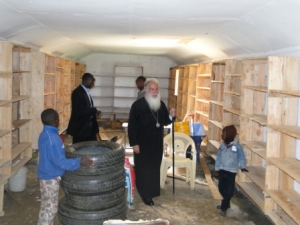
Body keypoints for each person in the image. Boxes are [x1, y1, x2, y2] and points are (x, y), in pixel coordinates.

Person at [37, 108, 94, 225]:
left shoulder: (44, 134)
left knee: (46, 205)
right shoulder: (53, 139)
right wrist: (79, 162)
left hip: (45, 174)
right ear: (56, 121)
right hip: (50, 178)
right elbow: (61, 162)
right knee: (50, 208)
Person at [128, 78, 176, 206]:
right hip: (142, 145)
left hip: (156, 144)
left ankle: (153, 191)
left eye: (156, 89)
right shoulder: (137, 106)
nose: (154, 92)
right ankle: (146, 195)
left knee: (154, 168)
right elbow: (131, 126)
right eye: (151, 89)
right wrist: (134, 144)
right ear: (146, 90)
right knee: (144, 169)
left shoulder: (160, 104)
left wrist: (171, 115)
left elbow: (165, 121)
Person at [214, 125, 248, 217]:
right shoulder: (222, 146)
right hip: (222, 169)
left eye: (223, 134)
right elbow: (219, 158)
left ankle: (224, 207)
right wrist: (217, 169)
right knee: (221, 188)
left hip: (231, 171)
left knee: (228, 191)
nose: (222, 135)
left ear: (229, 135)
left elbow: (242, 157)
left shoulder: (237, 147)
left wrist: (242, 166)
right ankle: (226, 203)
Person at [67, 73, 101, 143]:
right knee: (80, 150)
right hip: (81, 130)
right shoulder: (77, 93)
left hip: (89, 129)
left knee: (92, 148)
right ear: (87, 81)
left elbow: (87, 107)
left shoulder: (87, 92)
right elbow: (79, 110)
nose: (93, 84)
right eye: (92, 82)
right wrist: (94, 110)